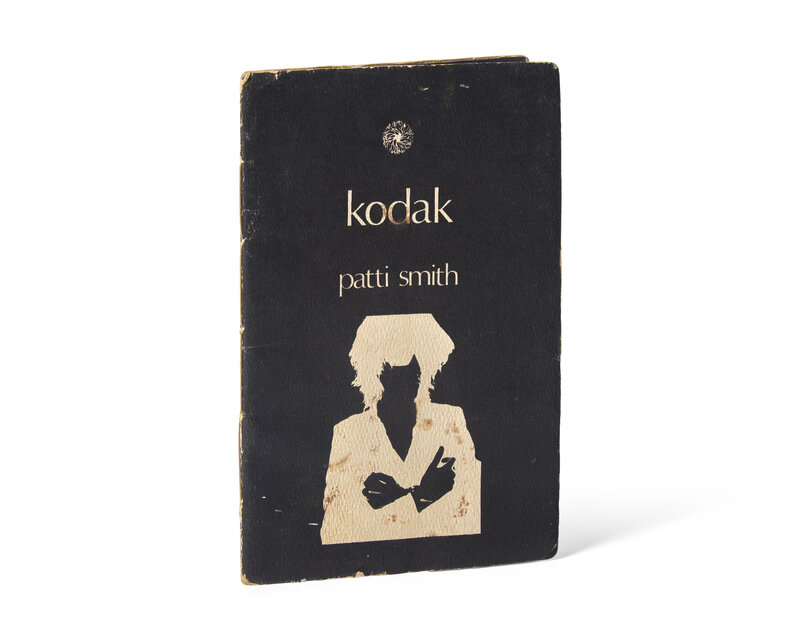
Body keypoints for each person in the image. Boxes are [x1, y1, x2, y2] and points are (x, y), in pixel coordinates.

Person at [320, 313, 481, 545]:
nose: (405, 382)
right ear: (373, 372)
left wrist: (397, 502)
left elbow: (470, 512)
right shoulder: (348, 432)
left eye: (413, 370)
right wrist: (420, 498)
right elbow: (335, 530)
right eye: (391, 370)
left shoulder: (450, 421)